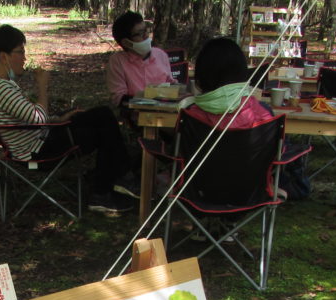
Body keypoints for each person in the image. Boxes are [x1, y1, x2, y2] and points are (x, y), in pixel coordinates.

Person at [0, 24, 136, 213]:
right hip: (37, 151)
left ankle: (115, 182)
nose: (24, 58)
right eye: (20, 52)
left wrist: (58, 119)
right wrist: (42, 86)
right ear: (3, 56)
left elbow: (28, 118)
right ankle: (113, 185)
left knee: (102, 116)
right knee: (102, 129)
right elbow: (38, 119)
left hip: (41, 137)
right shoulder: (2, 89)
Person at [187, 36, 310, 200]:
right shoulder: (262, 113)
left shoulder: (191, 114)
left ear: (202, 74)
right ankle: (293, 189)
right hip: (253, 194)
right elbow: (278, 154)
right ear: (241, 71)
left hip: (199, 193)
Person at [106, 11, 175, 109]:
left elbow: (170, 83)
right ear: (126, 42)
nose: (146, 36)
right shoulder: (118, 61)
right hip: (136, 116)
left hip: (166, 113)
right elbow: (118, 98)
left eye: (146, 30)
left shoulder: (160, 55)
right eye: (140, 34)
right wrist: (147, 99)